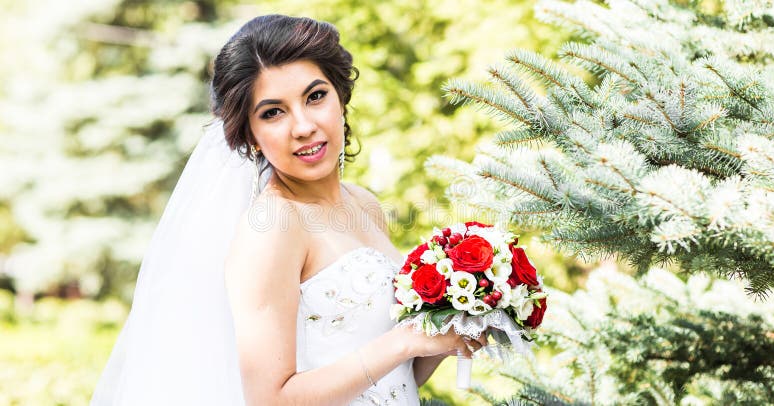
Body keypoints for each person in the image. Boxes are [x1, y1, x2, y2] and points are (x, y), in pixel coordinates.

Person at [91, 15, 484, 405]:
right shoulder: (272, 228)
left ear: (341, 98)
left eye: (315, 96)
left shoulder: (363, 203)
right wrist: (403, 342)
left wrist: (445, 330)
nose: (303, 126)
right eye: (273, 112)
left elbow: (394, 376)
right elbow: (270, 399)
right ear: (251, 136)